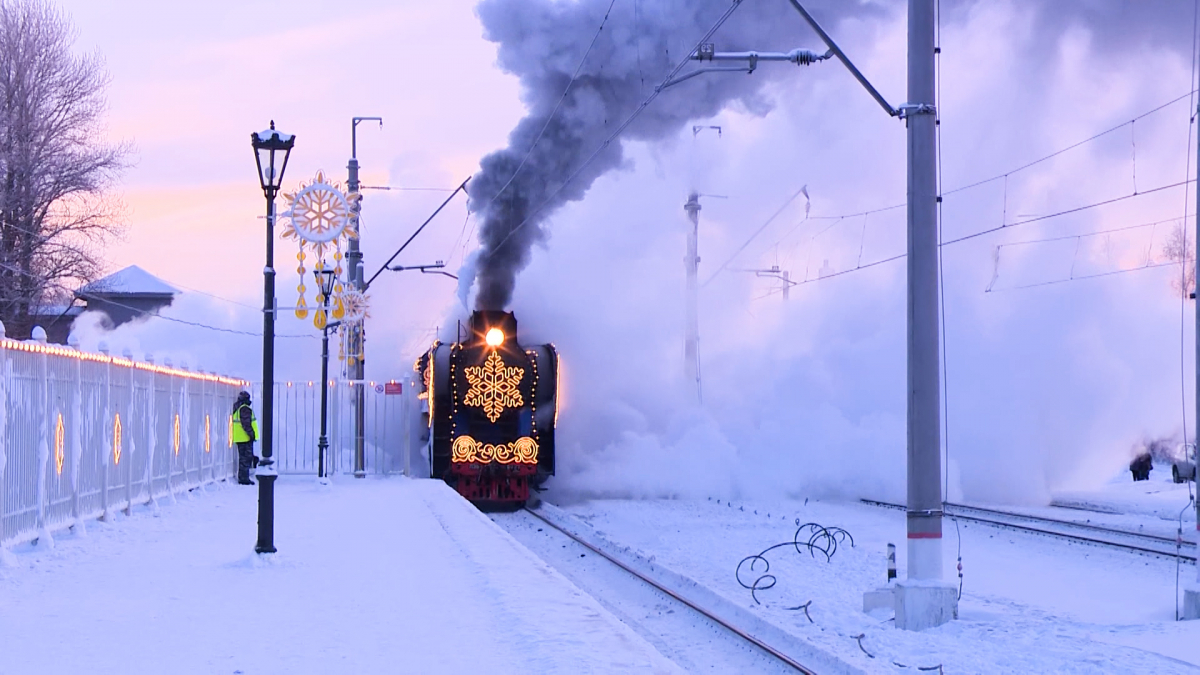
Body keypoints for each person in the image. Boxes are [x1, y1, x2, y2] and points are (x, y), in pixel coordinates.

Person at [231, 391, 260, 485]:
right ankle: (244, 478)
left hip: (241, 437)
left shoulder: (238, 408)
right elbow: (246, 424)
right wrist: (251, 434)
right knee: (246, 459)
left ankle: (244, 477)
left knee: (244, 458)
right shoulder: (244, 409)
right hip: (245, 437)